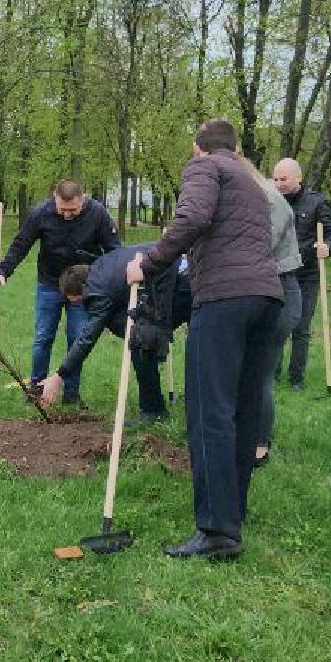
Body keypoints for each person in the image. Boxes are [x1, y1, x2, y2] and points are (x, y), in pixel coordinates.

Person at [126, 118, 280, 561]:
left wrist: (148, 265)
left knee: (209, 409)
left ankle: (216, 531)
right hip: (266, 299)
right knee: (243, 409)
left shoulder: (204, 168)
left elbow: (193, 216)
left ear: (198, 148)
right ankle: (233, 514)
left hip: (224, 300)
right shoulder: (251, 181)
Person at [0, 179, 121, 407]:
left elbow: (114, 249)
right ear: (55, 199)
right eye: (63, 209)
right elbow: (22, 243)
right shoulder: (41, 213)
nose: (68, 215)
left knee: (78, 338)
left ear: (83, 199)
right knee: (43, 337)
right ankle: (37, 389)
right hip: (49, 284)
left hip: (82, 288)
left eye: (73, 210)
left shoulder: (98, 213)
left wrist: (116, 280)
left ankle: (71, 393)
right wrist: (3, 271)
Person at [39, 243, 193, 425]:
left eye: (79, 302)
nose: (82, 307)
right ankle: (192, 400)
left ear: (81, 290)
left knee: (141, 342)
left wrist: (59, 375)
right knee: (191, 340)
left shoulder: (96, 289)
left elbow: (87, 338)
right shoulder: (102, 267)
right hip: (189, 269)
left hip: (178, 282)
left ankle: (153, 411)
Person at [250, 167, 303, 467]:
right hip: (267, 291)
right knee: (252, 372)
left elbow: (259, 246)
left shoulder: (272, 201)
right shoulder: (263, 198)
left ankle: (259, 446)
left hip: (281, 294)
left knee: (261, 375)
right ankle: (249, 434)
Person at [271, 157, 331, 391]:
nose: (279, 184)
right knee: (276, 324)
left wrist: (326, 247)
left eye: (284, 179)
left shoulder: (317, 203)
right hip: (278, 272)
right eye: (276, 179)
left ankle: (296, 379)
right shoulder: (272, 201)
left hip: (306, 274)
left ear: (298, 177)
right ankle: (271, 374)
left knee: (301, 327)